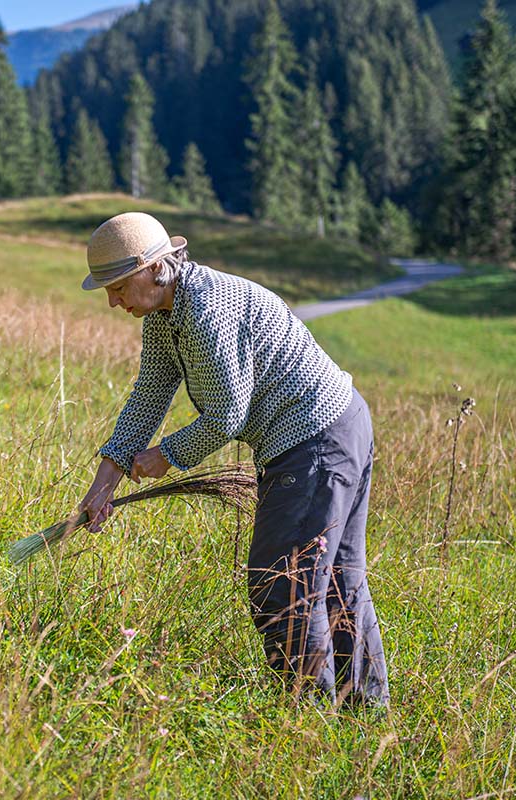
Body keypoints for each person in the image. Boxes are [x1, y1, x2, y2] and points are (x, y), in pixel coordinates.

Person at [77, 211, 389, 708]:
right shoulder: (165, 313)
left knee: (283, 580)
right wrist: (104, 482)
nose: (113, 301)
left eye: (116, 286)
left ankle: (307, 720)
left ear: (155, 268)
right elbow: (150, 393)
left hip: (316, 442)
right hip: (337, 428)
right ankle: (364, 715)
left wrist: (167, 456)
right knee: (334, 579)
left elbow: (227, 416)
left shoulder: (204, 310)